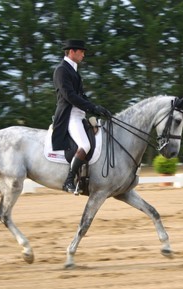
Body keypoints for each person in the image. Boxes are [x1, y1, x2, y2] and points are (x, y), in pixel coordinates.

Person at [52, 39, 112, 193]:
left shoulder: (73, 70)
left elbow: (81, 96)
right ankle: (69, 180)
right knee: (85, 145)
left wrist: (97, 109)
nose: (84, 55)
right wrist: (92, 107)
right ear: (72, 52)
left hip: (79, 115)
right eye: (82, 52)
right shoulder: (61, 70)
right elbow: (70, 96)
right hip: (69, 116)